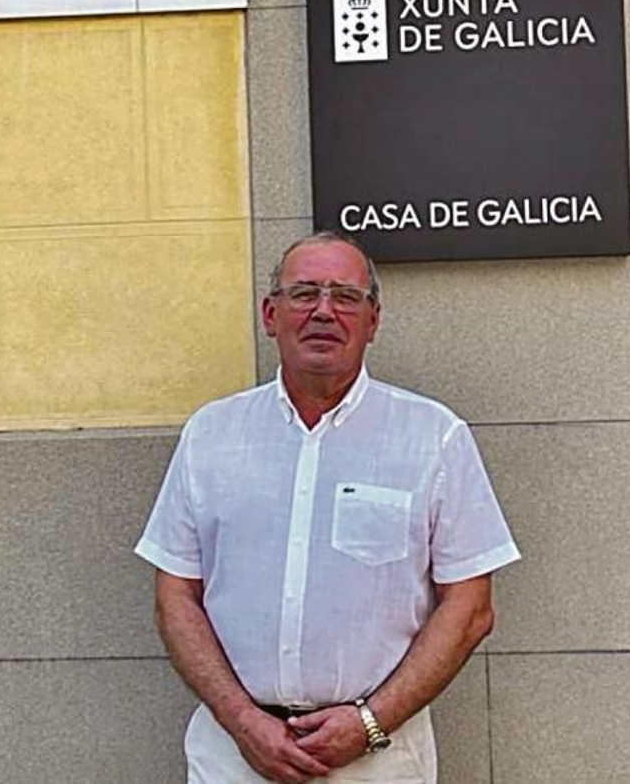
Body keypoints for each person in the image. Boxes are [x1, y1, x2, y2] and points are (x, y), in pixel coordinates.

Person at [135, 231, 520, 783]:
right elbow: (174, 595)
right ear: (270, 314)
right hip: (234, 757)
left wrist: (369, 723)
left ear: (372, 320)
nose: (323, 310)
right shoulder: (211, 435)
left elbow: (470, 608)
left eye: (345, 296)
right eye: (304, 293)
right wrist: (244, 722)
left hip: (379, 760)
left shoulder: (433, 437)